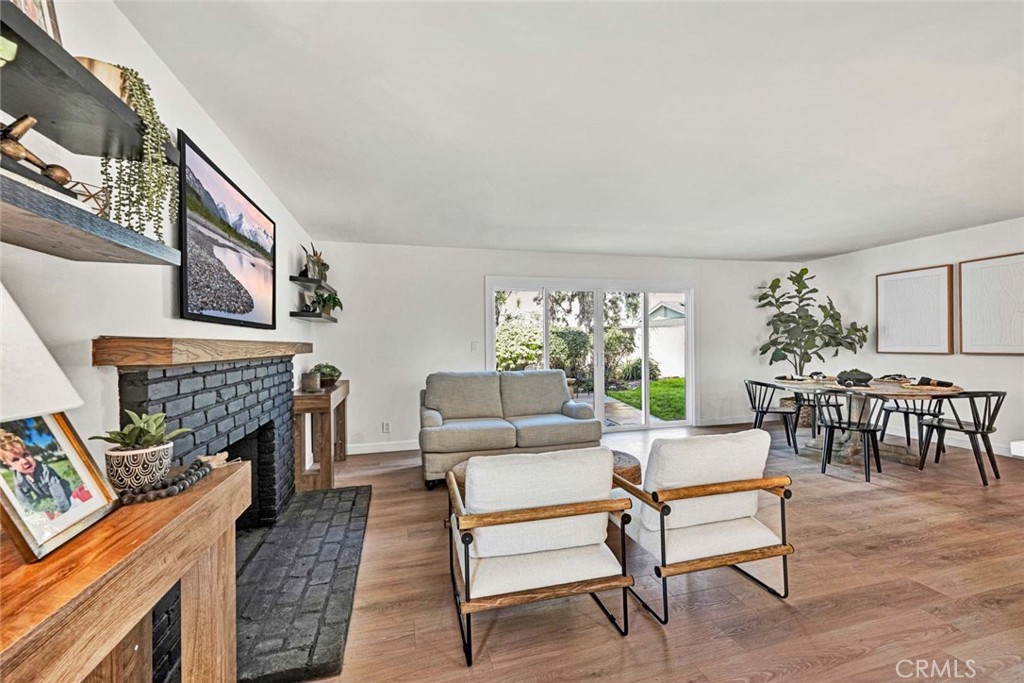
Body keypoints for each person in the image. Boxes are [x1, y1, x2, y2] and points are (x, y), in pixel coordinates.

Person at [0, 429, 73, 514]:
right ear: (8, 464)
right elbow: (23, 499)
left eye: (25, 454)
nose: (24, 461)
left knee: (66, 489)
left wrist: (61, 510)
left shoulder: (45, 471)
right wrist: (31, 513)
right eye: (15, 459)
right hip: (43, 495)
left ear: (30, 452)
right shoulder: (18, 479)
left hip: (61, 488)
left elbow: (56, 488)